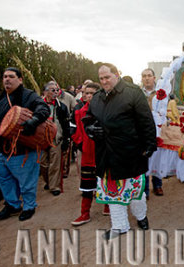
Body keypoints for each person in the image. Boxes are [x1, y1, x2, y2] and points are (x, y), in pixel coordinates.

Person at [84, 63, 156, 239]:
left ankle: (141, 217)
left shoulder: (133, 92)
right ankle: (120, 226)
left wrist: (149, 145)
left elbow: (146, 121)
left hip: (131, 153)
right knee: (112, 192)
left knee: (135, 192)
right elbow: (89, 118)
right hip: (106, 154)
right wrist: (91, 129)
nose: (104, 81)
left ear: (117, 75)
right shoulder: (98, 97)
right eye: (101, 79)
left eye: (107, 77)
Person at [0, 67, 49, 221]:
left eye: (11, 76)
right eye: (4, 76)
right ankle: (13, 204)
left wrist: (34, 120)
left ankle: (29, 206)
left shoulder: (29, 96)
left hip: (21, 151)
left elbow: (43, 108)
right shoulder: (1, 98)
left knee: (26, 181)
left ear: (20, 79)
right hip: (0, 151)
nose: (7, 79)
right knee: (3, 177)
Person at [71, 82, 110, 226]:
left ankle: (108, 206)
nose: (88, 96)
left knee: (106, 181)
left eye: (92, 93)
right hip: (87, 154)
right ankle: (84, 213)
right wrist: (80, 143)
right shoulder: (79, 112)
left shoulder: (107, 111)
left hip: (104, 153)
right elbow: (74, 131)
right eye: (86, 93)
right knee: (87, 185)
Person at [40, 81, 70, 196]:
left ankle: (54, 186)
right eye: (53, 90)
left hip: (56, 139)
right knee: (43, 163)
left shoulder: (61, 107)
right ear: (45, 92)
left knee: (55, 163)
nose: (56, 92)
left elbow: (66, 125)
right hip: (41, 139)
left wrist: (66, 140)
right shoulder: (38, 105)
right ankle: (48, 181)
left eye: (57, 90)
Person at [141, 68, 164, 198]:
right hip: (143, 129)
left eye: (149, 75)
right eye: (144, 76)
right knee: (144, 158)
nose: (147, 78)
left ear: (154, 78)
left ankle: (158, 185)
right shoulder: (138, 93)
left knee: (157, 157)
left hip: (158, 129)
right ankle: (145, 189)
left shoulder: (161, 92)